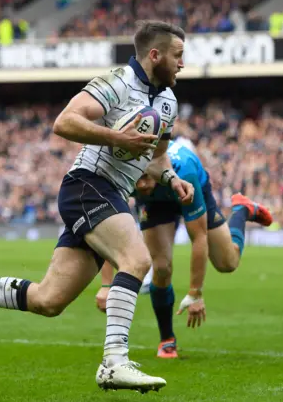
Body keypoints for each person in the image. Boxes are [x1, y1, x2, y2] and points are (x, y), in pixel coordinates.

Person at [0, 20, 195, 393]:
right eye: (178, 56)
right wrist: (114, 135)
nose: (182, 64)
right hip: (87, 185)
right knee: (137, 260)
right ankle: (114, 362)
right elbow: (64, 122)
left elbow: (156, 158)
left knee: (49, 300)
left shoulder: (168, 102)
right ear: (154, 54)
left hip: (108, 193)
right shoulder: (118, 81)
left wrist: (171, 179)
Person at [95, 140, 272, 358]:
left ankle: (242, 210)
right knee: (160, 267)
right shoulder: (121, 172)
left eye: (146, 177)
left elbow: (198, 237)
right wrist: (105, 285)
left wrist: (195, 293)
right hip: (155, 203)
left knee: (228, 263)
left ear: (157, 168)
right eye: (137, 178)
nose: (141, 185)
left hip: (186, 187)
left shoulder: (184, 170)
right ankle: (167, 340)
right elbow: (109, 228)